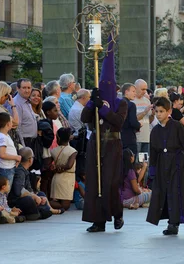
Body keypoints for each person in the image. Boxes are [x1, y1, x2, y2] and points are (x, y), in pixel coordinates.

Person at [81, 37, 128, 233]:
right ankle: (98, 220)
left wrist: (104, 109)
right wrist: (92, 102)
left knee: (109, 182)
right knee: (94, 182)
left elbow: (118, 122)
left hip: (112, 145)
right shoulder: (95, 100)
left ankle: (117, 214)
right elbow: (84, 118)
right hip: (95, 143)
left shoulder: (121, 103)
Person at [146, 97, 184, 235]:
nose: (158, 114)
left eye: (161, 111)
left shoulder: (178, 127)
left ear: (169, 111)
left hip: (176, 163)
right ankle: (168, 219)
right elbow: (153, 151)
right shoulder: (155, 131)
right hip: (162, 164)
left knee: (176, 191)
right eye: (156, 111)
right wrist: (152, 169)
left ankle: (174, 223)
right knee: (164, 192)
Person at [9, 147, 61, 220]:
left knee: (41, 194)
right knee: (29, 200)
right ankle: (37, 214)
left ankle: (43, 211)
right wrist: (34, 197)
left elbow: (29, 190)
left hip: (24, 197)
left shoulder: (25, 170)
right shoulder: (19, 172)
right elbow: (18, 191)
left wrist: (38, 197)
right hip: (15, 201)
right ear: (30, 160)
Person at [49, 128, 77, 211]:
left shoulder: (53, 151)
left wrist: (55, 167)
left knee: (60, 202)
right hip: (67, 178)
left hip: (56, 177)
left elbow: (48, 164)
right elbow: (69, 165)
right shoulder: (72, 151)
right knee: (65, 206)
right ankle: (44, 202)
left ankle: (46, 202)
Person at [0, 111, 21, 190]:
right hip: (6, 169)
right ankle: (1, 202)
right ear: (8, 124)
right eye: (11, 121)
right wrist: (16, 157)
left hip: (9, 167)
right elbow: (2, 154)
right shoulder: (2, 138)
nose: (12, 123)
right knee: (5, 190)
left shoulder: (6, 135)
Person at [134, 79, 154, 155]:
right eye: (142, 89)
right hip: (136, 138)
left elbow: (149, 121)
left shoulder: (147, 101)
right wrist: (145, 112)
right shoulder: (132, 101)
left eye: (145, 89)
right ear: (136, 88)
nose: (145, 91)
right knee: (137, 163)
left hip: (146, 137)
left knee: (145, 163)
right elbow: (133, 119)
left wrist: (153, 114)